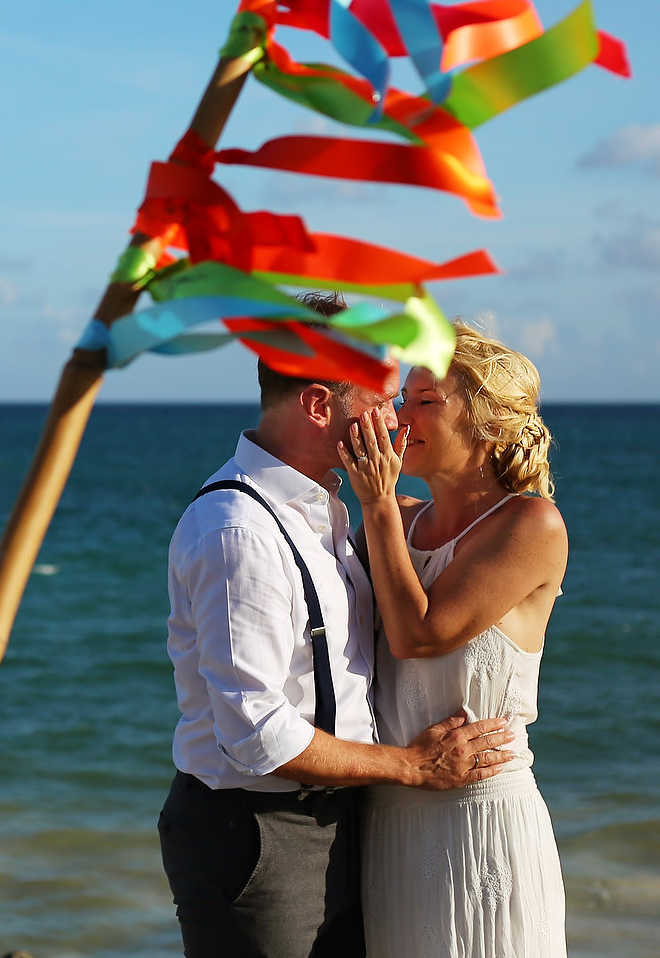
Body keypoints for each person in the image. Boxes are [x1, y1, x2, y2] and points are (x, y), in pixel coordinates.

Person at [159, 293, 519, 958]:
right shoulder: (240, 531)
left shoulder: (324, 508)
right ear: (320, 405)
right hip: (260, 833)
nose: (395, 419)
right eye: (382, 398)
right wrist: (413, 767)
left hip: (340, 822)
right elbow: (256, 735)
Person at [337, 324, 568, 957]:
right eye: (403, 398)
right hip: (391, 820)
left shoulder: (529, 523)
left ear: (488, 425)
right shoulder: (398, 520)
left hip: (482, 823)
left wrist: (377, 506)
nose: (399, 415)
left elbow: (420, 634)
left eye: (424, 402)